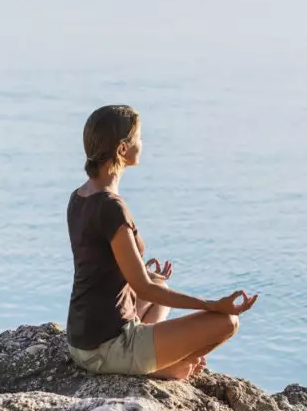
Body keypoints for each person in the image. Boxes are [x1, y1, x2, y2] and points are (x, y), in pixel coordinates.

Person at [65, 104, 257, 380]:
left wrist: (141, 272)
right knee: (227, 322)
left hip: (82, 338)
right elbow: (144, 288)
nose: (142, 143)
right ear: (122, 150)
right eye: (138, 138)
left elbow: (98, 267)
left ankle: (158, 359)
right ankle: (170, 368)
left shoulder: (79, 197)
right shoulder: (111, 208)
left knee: (159, 283)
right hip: (106, 348)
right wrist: (213, 304)